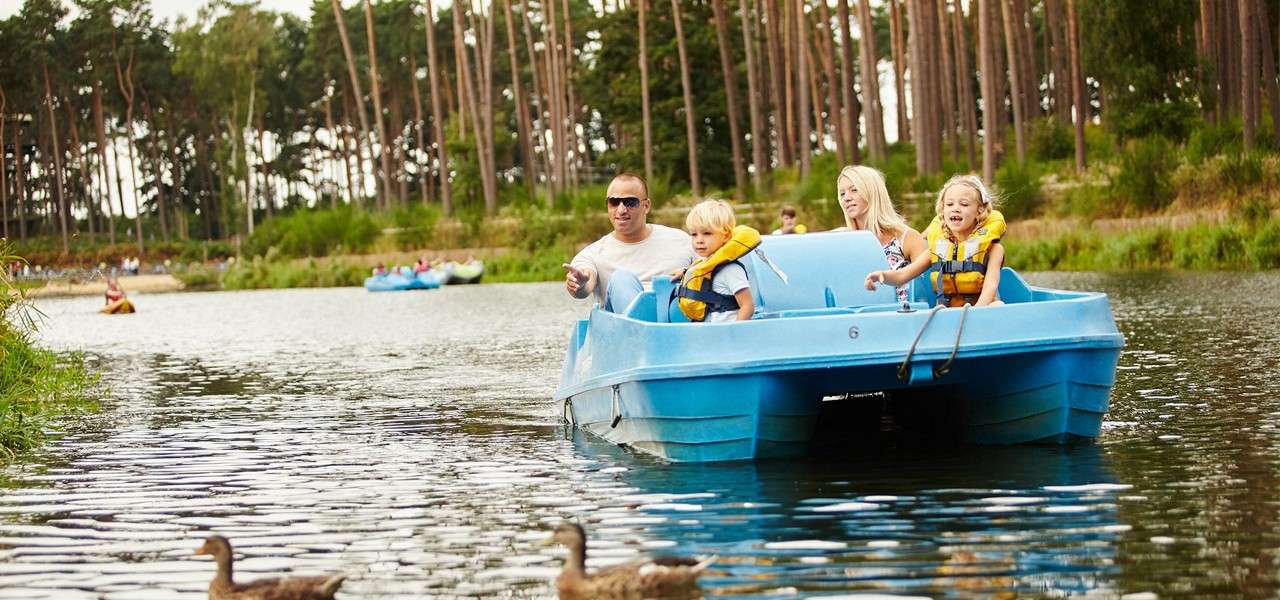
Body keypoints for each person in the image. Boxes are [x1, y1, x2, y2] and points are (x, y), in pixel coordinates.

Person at [865, 174, 1007, 307]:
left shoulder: (994, 249)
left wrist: (975, 313)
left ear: (979, 210)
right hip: (948, 314)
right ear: (943, 210)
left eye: (964, 204)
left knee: (997, 305)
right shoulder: (936, 250)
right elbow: (902, 275)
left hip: (982, 310)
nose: (956, 209)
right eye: (950, 204)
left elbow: (990, 287)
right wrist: (882, 275)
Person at [564, 173, 696, 312]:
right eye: (614, 202)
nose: (621, 210)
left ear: (646, 206)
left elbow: (709, 270)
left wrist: (690, 273)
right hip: (626, 322)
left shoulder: (682, 241)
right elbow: (584, 285)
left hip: (674, 317)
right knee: (621, 278)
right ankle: (642, 320)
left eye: (630, 202)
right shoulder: (591, 255)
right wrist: (580, 284)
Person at [834, 165, 928, 304]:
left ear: (873, 191)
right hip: (856, 314)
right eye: (842, 194)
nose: (846, 198)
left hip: (902, 315)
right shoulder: (839, 239)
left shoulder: (906, 237)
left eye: (854, 190)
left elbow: (928, 287)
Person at [675, 200, 755, 322]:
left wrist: (735, 331)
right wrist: (686, 271)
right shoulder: (704, 263)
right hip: (708, 331)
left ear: (726, 236)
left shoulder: (731, 270)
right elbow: (701, 271)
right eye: (694, 234)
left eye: (707, 233)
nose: (699, 240)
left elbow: (747, 306)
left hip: (726, 332)